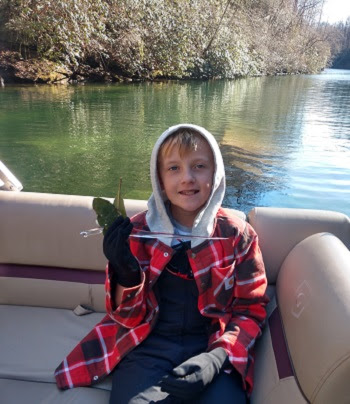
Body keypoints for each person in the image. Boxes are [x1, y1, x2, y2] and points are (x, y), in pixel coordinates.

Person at [55, 124, 268, 403]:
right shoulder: (136, 230)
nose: (187, 178)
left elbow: (251, 310)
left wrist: (217, 358)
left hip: (211, 343)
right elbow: (126, 318)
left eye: (199, 166)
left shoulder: (238, 235)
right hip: (148, 342)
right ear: (159, 179)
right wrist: (126, 272)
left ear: (215, 174)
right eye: (174, 168)